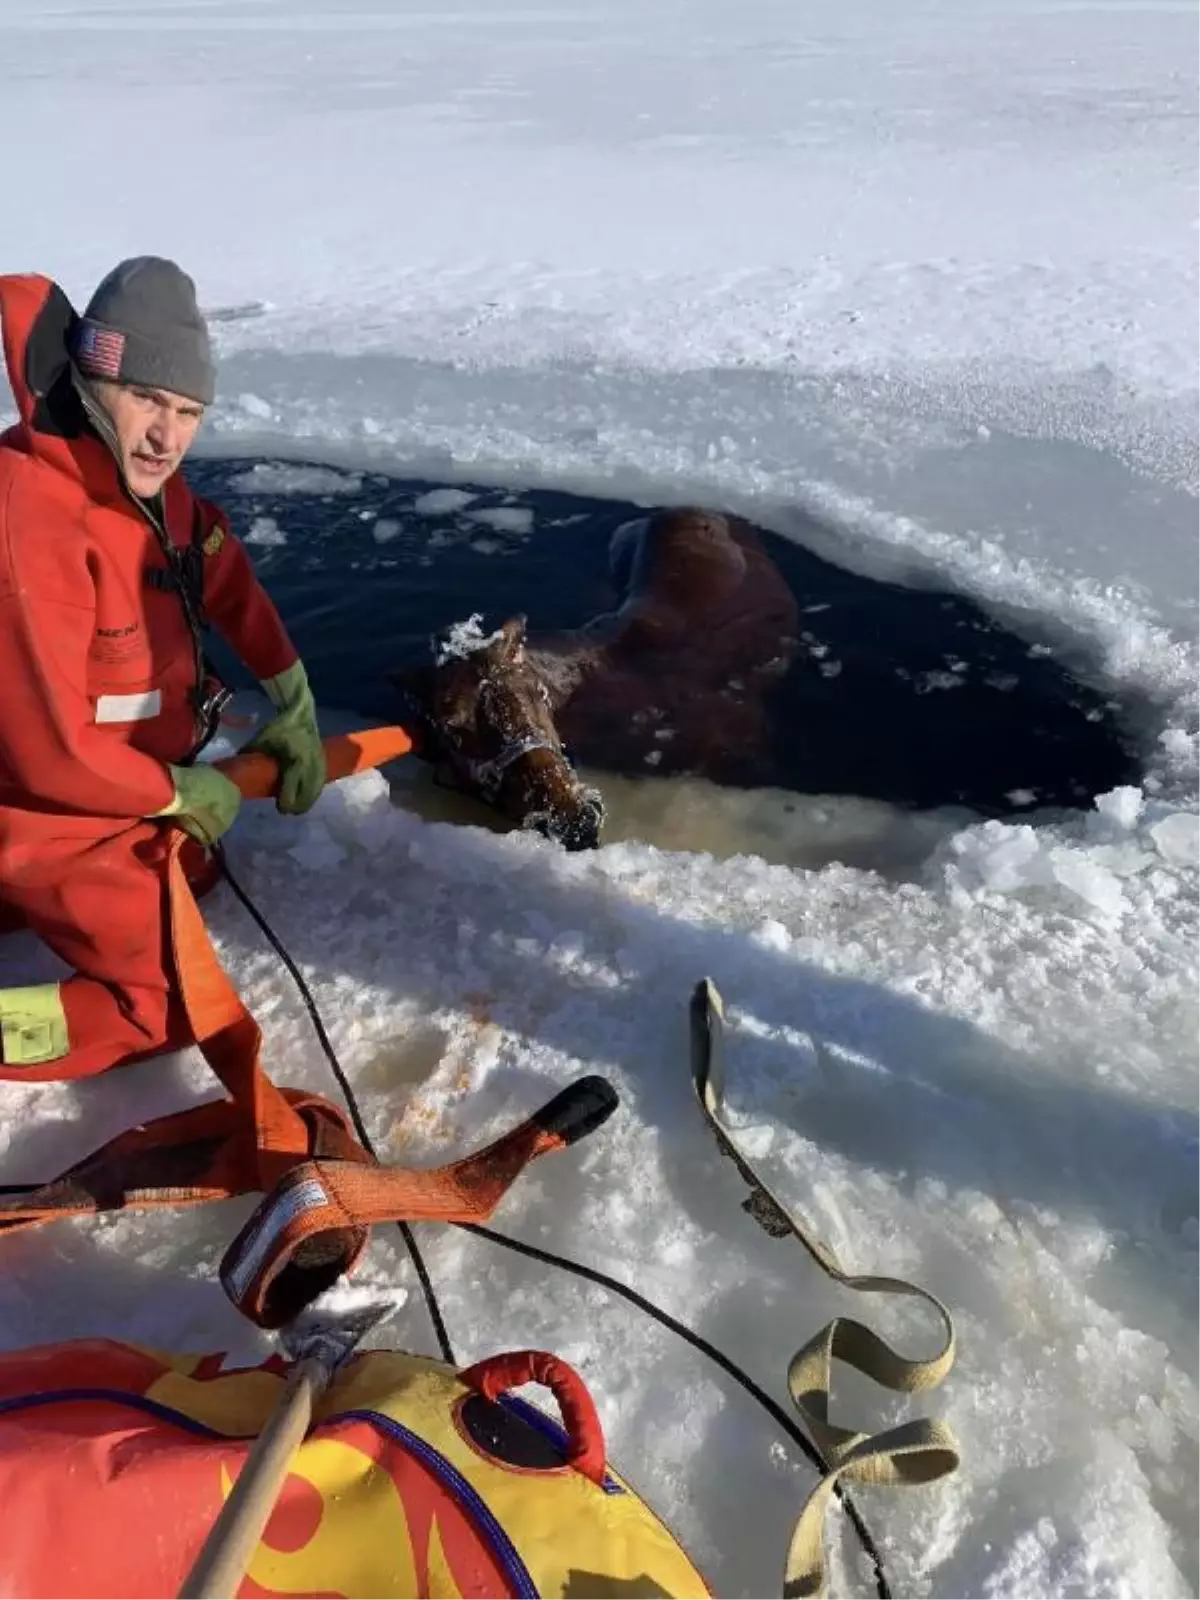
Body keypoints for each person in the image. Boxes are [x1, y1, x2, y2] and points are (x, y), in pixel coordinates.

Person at [0, 257, 326, 1079]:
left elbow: (215, 559)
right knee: (167, 1003)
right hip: (45, 810)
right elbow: (47, 756)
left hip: (120, 791)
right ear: (89, 377)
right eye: (146, 397)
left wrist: (291, 690)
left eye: (188, 411)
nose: (167, 435)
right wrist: (175, 791)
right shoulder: (29, 520)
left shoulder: (145, 491)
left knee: (199, 875)